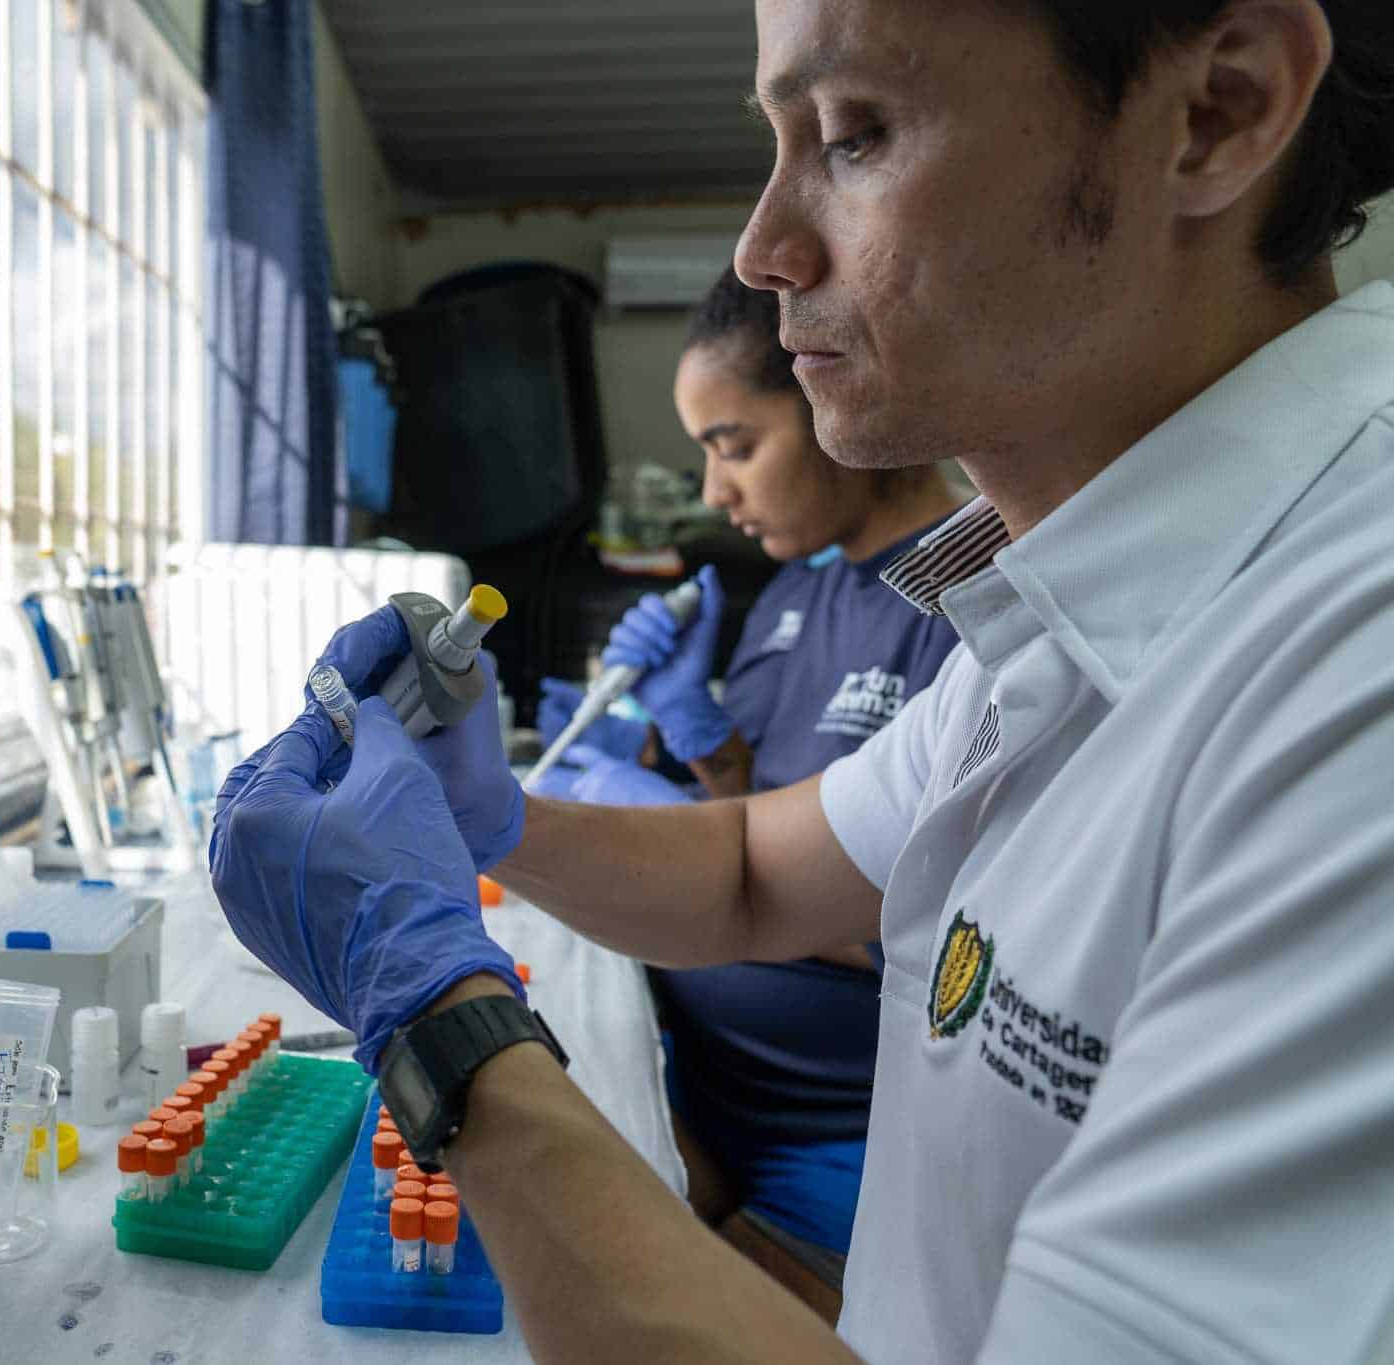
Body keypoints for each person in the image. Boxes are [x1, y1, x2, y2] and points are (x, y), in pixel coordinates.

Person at [209, 0, 1394, 1359]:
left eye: (854, 134)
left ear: (1218, 109)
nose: (763, 251)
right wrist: (498, 823)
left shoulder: (1354, 663)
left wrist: (433, 1016)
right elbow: (755, 875)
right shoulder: (1088, 595)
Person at [579, 268, 962, 1280]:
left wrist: (660, 846)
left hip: (849, 1133)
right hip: (709, 1083)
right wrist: (702, 748)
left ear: (836, 397)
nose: (713, 494)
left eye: (734, 446)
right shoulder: (796, 587)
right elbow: (749, 812)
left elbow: (920, 924)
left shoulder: (966, 598)